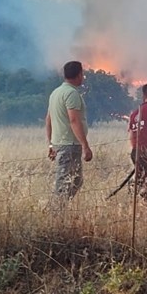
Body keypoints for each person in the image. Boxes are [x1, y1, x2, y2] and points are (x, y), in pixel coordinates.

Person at [45, 61, 92, 199]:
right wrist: (85, 145)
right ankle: (56, 214)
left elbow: (48, 120)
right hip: (69, 145)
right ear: (79, 75)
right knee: (64, 185)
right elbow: (74, 120)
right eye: (82, 74)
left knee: (76, 180)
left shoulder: (55, 93)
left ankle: (62, 212)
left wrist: (51, 143)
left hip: (60, 143)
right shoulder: (72, 94)